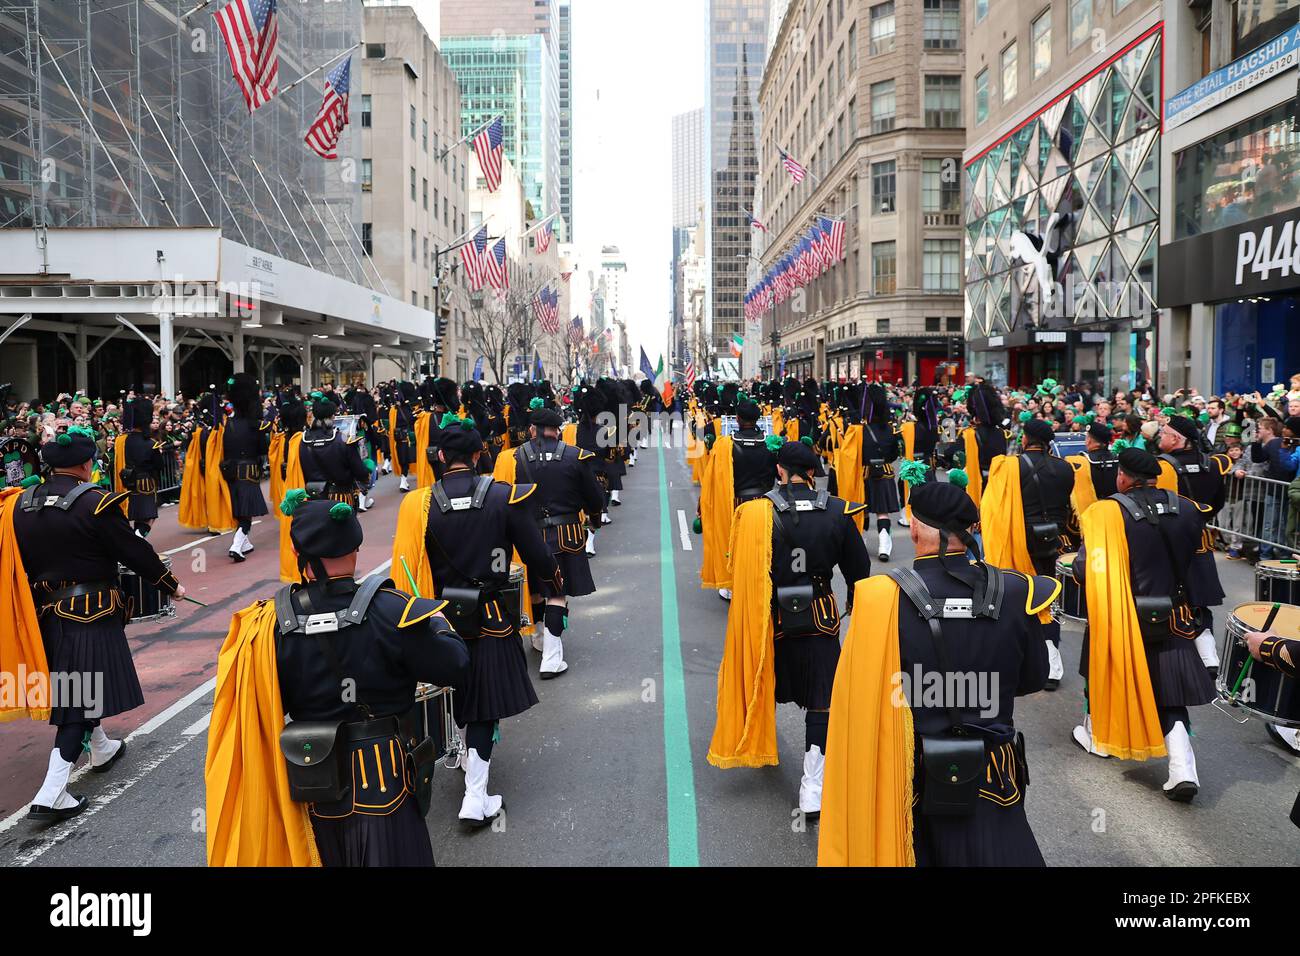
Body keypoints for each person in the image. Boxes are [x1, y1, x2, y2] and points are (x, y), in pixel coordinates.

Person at [205, 496, 468, 866]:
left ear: (297, 551)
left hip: (309, 787)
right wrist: (437, 621)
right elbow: (455, 664)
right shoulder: (394, 609)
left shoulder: (266, 627)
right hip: (385, 785)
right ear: (356, 547)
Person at [818, 480, 1053, 866]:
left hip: (909, 774)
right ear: (971, 529)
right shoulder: (1015, 591)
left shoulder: (880, 598)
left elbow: (858, 702)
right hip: (993, 773)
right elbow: (1033, 679)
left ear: (912, 526)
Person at [391, 415, 563, 825]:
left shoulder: (420, 503)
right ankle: (475, 795)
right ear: (476, 454)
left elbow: (405, 564)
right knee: (484, 707)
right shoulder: (504, 496)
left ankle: (469, 764)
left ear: (440, 457)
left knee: (456, 694)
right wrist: (554, 581)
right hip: (491, 616)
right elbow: (537, 556)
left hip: (438, 619)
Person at [13, 427, 185, 821]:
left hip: (44, 613)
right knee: (78, 699)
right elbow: (134, 550)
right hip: (91, 611)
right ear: (86, 463)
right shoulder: (95, 501)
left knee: (79, 686)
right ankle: (53, 790)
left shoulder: (21, 504)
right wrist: (169, 585)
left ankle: (102, 746)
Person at [706, 439, 871, 817]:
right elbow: (859, 574)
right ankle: (812, 784)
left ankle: (759, 740)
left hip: (769, 620)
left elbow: (741, 572)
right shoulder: (838, 511)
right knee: (822, 702)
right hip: (820, 619)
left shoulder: (753, 513)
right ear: (813, 472)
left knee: (762, 682)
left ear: (779, 470)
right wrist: (851, 607)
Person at [1069, 448, 1218, 802]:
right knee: (1170, 693)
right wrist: (1201, 626)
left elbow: (1084, 569)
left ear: (1123, 477)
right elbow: (1201, 572)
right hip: (1174, 616)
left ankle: (1103, 738)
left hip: (1122, 617)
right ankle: (1183, 769)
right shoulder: (1187, 508)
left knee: (1106, 675)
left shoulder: (1106, 512)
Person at [493, 400, 605, 677]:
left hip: (524, 536)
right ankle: (552, 657)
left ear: (533, 430)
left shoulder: (511, 458)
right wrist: (594, 518)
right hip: (565, 535)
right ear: (558, 431)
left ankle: (539, 637)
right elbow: (595, 499)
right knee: (556, 593)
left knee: (534, 589)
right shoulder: (576, 457)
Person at [981, 418, 1076, 689]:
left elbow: (991, 508)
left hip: (1017, 541)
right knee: (1049, 601)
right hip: (1054, 543)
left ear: (1025, 439)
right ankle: (1053, 666)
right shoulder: (1066, 468)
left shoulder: (1009, 466)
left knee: (1016, 601)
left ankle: (1018, 662)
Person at [1158, 415, 1230, 671]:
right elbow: (1219, 501)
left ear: (1176, 438)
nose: (1160, 437)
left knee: (1169, 595)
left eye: (1164, 433)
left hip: (1169, 541)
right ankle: (1207, 650)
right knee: (1198, 596)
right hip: (1201, 537)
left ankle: (1174, 654)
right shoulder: (1210, 465)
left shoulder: (1163, 467)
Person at [222, 373, 271, 561]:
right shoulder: (255, 425)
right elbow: (262, 449)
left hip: (231, 471)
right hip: (249, 471)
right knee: (246, 514)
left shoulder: (228, 424)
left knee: (240, 510)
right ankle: (237, 544)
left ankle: (245, 542)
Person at [300, 395, 373, 511]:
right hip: (340, 497)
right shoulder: (342, 439)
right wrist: (366, 470)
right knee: (345, 529)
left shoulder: (303, 440)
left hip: (314, 498)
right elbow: (360, 472)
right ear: (332, 416)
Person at [121, 396, 165, 538]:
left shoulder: (124, 440)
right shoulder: (150, 444)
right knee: (148, 518)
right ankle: (137, 542)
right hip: (146, 483)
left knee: (139, 518)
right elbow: (159, 465)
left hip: (130, 481)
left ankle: (136, 541)